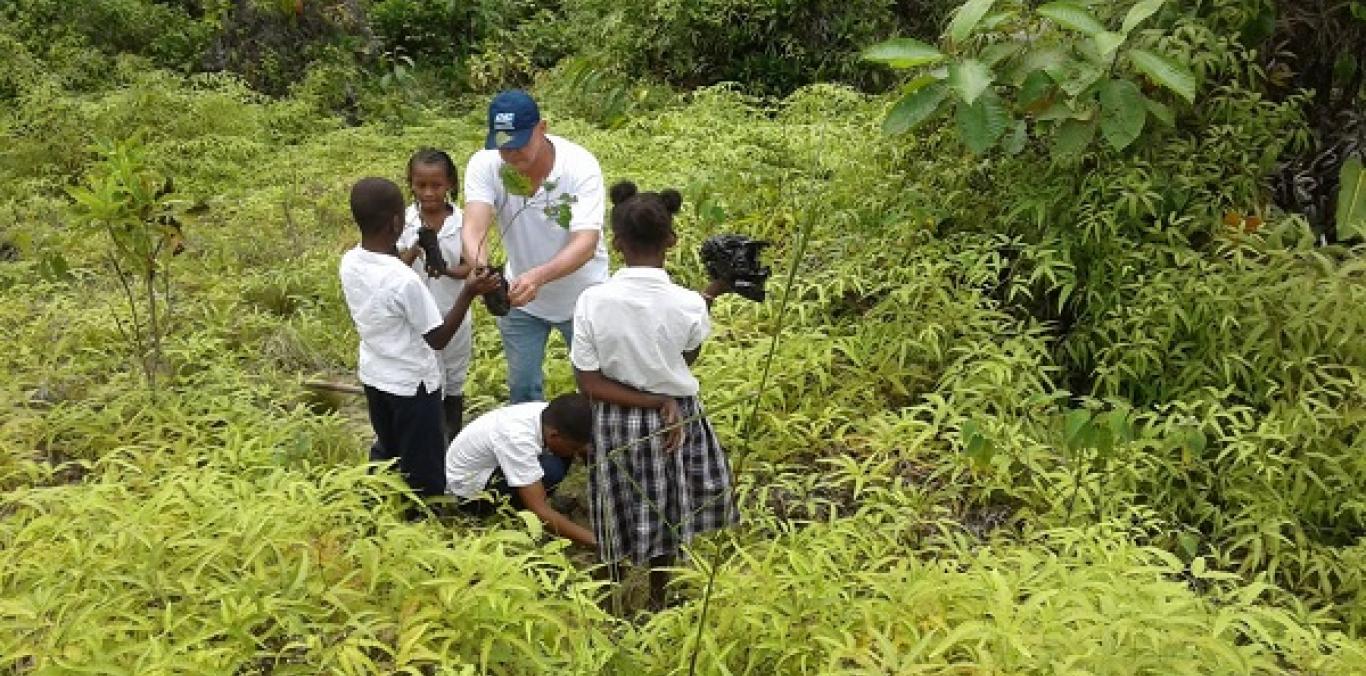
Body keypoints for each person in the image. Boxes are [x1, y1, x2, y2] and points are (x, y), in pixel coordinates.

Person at [570, 181, 739, 610]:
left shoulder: (592, 301)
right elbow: (687, 355)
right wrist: (708, 296)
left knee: (616, 501)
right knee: (668, 506)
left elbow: (588, 383)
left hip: (613, 419)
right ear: (672, 240)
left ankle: (613, 595)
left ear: (616, 242)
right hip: (676, 419)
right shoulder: (687, 303)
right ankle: (660, 599)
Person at [339, 177, 500, 499]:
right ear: (397, 221)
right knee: (423, 466)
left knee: (389, 448)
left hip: (375, 376)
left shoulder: (351, 260)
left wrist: (415, 249)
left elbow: (388, 271)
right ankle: (422, 515)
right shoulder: (404, 281)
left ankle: (379, 503)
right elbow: (438, 338)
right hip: (413, 385)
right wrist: (468, 293)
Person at [462, 89, 608, 404]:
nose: (511, 155)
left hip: (583, 299)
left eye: (519, 144)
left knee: (596, 388)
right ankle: (528, 448)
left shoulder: (579, 166)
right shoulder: (485, 165)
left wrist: (538, 277)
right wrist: (482, 268)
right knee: (523, 388)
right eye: (503, 146)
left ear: (542, 128)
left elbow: (585, 242)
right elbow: (474, 227)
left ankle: (595, 446)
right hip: (521, 302)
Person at [444, 393, 596, 547]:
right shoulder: (517, 438)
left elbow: (585, 449)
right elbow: (539, 509)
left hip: (490, 466)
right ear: (554, 435)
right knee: (551, 470)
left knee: (558, 460)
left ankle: (532, 500)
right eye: (574, 448)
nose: (577, 453)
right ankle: (516, 517)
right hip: (469, 492)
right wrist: (595, 540)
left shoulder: (550, 417)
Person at [397, 148, 473, 442]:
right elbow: (394, 269)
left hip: (454, 314)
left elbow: (471, 265)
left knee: (454, 377)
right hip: (416, 322)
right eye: (420, 185)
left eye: (436, 185)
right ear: (411, 184)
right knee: (426, 378)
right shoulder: (404, 222)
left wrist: (447, 271)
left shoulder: (464, 222)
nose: (428, 193)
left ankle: (452, 437)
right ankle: (428, 438)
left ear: (450, 184)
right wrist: (416, 246)